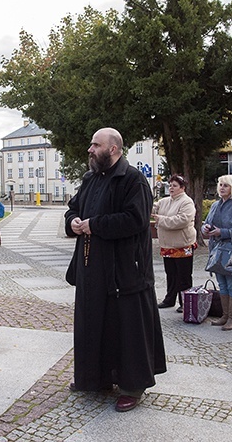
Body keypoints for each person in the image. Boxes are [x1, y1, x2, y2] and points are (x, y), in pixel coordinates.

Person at [64, 127, 166, 413]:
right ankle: (96, 378)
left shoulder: (133, 180)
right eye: (91, 144)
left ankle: (133, 386)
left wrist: (94, 225)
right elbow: (73, 209)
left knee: (127, 329)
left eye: (96, 145)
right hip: (91, 270)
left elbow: (135, 220)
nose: (90, 149)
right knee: (93, 325)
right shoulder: (90, 178)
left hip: (125, 271)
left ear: (114, 149)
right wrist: (73, 222)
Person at [202, 174, 232, 330]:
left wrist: (222, 232)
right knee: (222, 284)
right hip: (216, 249)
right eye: (220, 184)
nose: (222, 188)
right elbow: (208, 223)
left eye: (226, 185)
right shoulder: (216, 205)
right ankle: (225, 315)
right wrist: (206, 228)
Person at [152, 174, 197, 313]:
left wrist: (161, 220)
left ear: (182, 188)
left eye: (175, 186)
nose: (171, 188)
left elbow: (181, 220)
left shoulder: (187, 202)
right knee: (170, 274)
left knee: (184, 275)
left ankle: (185, 302)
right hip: (167, 245)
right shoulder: (164, 201)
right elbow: (153, 208)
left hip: (183, 245)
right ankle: (169, 299)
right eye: (170, 185)